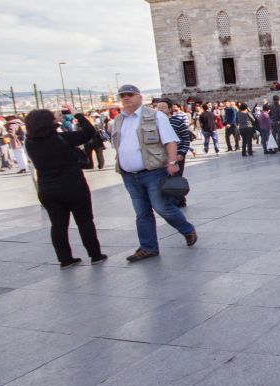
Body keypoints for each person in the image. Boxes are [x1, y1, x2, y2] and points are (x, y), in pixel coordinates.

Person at [112, 84, 197, 262]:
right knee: (142, 212)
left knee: (162, 207)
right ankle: (148, 247)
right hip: (129, 174)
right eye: (123, 96)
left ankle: (187, 229)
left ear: (139, 97)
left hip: (153, 172)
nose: (126, 98)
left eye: (130, 95)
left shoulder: (156, 116)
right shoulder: (119, 120)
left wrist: (172, 162)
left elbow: (170, 141)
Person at [25, 109, 106, 268]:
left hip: (47, 188)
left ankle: (65, 258)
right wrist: (78, 115)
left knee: (58, 225)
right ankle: (95, 254)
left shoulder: (29, 142)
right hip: (73, 185)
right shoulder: (62, 138)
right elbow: (89, 131)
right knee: (84, 221)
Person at [153, 99, 191, 206]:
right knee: (164, 180)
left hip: (177, 155)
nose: (160, 110)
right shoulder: (154, 123)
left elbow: (186, 138)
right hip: (161, 157)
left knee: (175, 178)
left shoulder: (178, 121)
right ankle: (170, 200)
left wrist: (182, 153)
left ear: (170, 109)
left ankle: (179, 200)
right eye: (158, 108)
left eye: (163, 107)